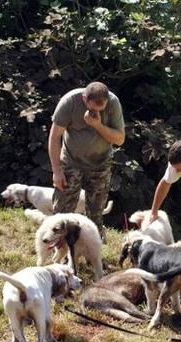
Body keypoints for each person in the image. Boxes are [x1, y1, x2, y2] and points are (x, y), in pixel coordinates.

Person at [49, 81, 125, 238]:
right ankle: (60, 251)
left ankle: (95, 255)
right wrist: (56, 171)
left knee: (96, 215)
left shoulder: (113, 103)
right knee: (62, 214)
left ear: (106, 101)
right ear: (84, 98)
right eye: (92, 109)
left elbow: (119, 139)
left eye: (100, 109)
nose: (95, 112)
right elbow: (55, 137)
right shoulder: (69, 102)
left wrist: (97, 125)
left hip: (100, 165)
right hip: (71, 162)